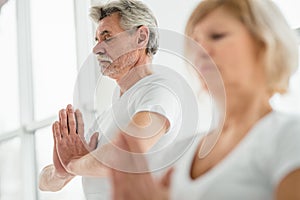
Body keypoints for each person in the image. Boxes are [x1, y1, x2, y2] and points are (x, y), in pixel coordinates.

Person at [109, 0, 300, 199]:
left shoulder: (289, 137)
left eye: (217, 36)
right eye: (195, 41)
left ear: (263, 45)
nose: (200, 50)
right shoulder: (182, 154)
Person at [38, 0, 185, 199]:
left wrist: (73, 164)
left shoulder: (160, 91)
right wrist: (61, 171)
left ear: (141, 37)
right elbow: (45, 183)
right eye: (96, 39)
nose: (96, 49)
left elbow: (124, 156)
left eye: (107, 38)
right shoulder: (110, 115)